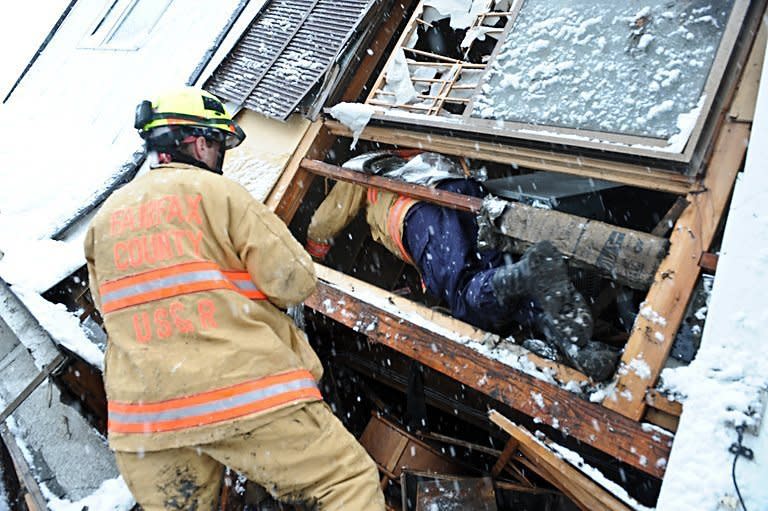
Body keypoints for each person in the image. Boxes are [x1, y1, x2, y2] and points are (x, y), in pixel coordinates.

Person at [84, 87, 385, 510]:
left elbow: (112, 309)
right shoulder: (219, 195)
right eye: (218, 143)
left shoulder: (105, 220)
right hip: (242, 395)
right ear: (199, 141)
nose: (219, 155)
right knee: (345, 484)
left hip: (147, 420)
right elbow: (294, 280)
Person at [306, 151, 618, 381]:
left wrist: (312, 254)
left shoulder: (362, 168)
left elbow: (325, 220)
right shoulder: (412, 152)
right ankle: (580, 348)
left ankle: (529, 271)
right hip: (464, 193)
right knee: (507, 292)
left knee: (464, 296)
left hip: (418, 210)